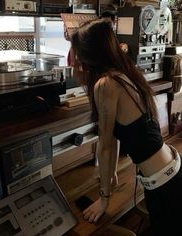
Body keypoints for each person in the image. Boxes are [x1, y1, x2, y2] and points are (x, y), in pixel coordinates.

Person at [70, 19, 182, 235]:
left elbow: (105, 146)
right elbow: (114, 137)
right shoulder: (125, 74)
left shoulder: (105, 84)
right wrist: (110, 173)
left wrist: (104, 200)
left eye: (76, 53)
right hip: (168, 174)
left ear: (87, 54)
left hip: (166, 187)